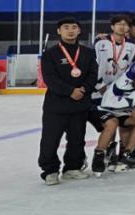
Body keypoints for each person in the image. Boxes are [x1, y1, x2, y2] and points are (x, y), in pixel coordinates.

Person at [38, 17, 99, 185]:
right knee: (50, 140)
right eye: (66, 27)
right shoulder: (50, 54)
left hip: (79, 104)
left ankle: (72, 168)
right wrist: (70, 91)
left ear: (79, 31)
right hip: (56, 105)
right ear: (59, 31)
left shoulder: (87, 53)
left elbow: (93, 74)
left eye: (74, 27)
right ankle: (50, 171)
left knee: (77, 139)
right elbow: (50, 78)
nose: (70, 30)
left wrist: (84, 89)